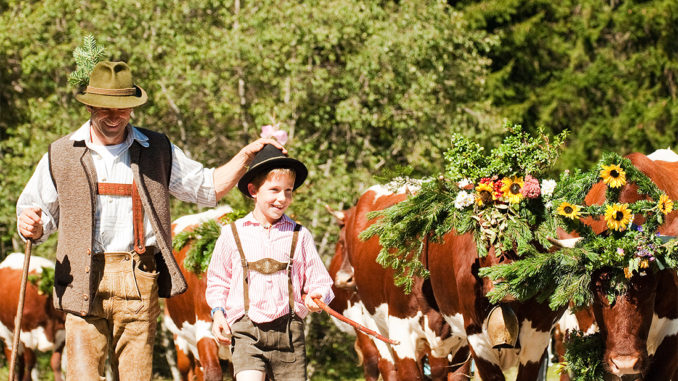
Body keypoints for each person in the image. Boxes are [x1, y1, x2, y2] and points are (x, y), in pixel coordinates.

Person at [15, 60, 284, 381]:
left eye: (124, 108)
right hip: (79, 282)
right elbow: (35, 214)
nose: (115, 117)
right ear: (88, 105)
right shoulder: (61, 153)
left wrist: (245, 157)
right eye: (105, 108)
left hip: (138, 278)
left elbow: (207, 187)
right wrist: (30, 223)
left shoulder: (156, 148)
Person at [206, 144, 334, 381]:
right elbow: (217, 281)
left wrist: (317, 297)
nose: (282, 198)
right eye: (274, 189)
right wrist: (218, 314)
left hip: (289, 333)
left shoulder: (299, 235)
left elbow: (320, 281)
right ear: (254, 190)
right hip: (246, 331)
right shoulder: (232, 234)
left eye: (288, 191)